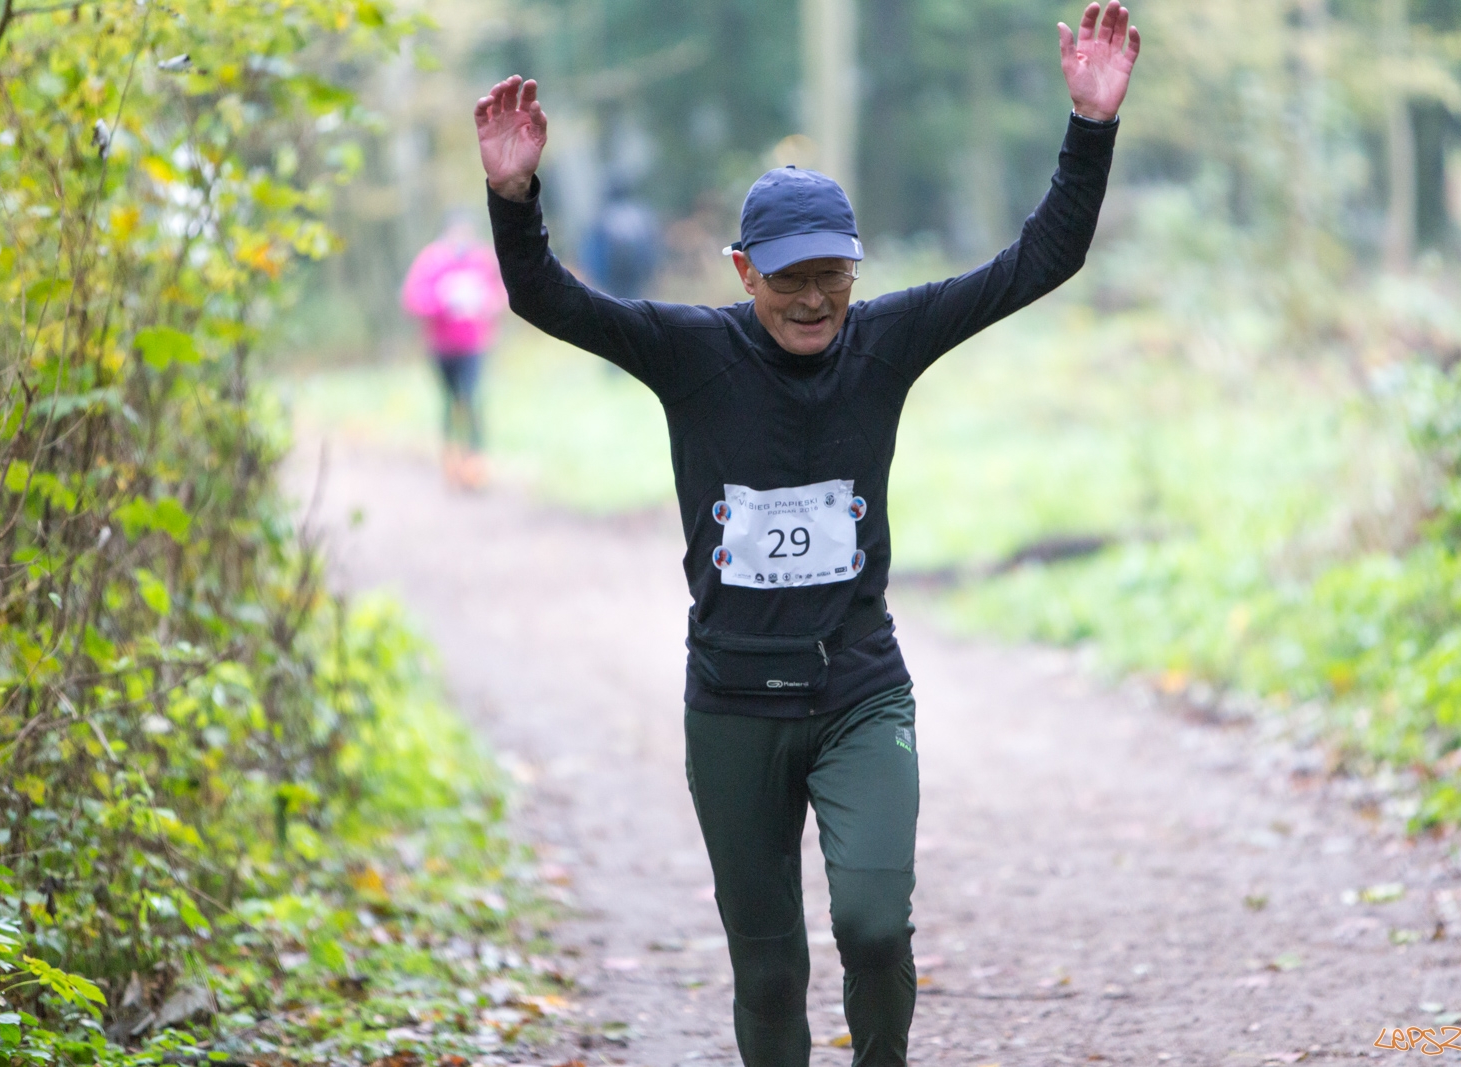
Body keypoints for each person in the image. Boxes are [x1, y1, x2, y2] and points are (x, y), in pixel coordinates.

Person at [473, 5, 1139, 1064]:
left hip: (858, 690)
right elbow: (545, 296)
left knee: (874, 928)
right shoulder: (688, 352)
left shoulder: (887, 339)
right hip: (733, 704)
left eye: (832, 272)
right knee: (769, 970)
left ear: (856, 269)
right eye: (790, 277)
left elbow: (1040, 258)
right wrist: (515, 198)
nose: (815, 297)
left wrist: (1090, 125)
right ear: (743, 272)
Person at [401, 211, 508, 489]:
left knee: (471, 400)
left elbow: (501, 294)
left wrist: (484, 303)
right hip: (441, 346)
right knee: (450, 402)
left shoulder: (481, 259)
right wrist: (444, 302)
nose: (463, 239)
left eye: (467, 233)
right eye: (457, 233)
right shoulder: (431, 260)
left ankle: (476, 464)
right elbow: (413, 298)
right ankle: (451, 461)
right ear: (447, 234)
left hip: (474, 344)